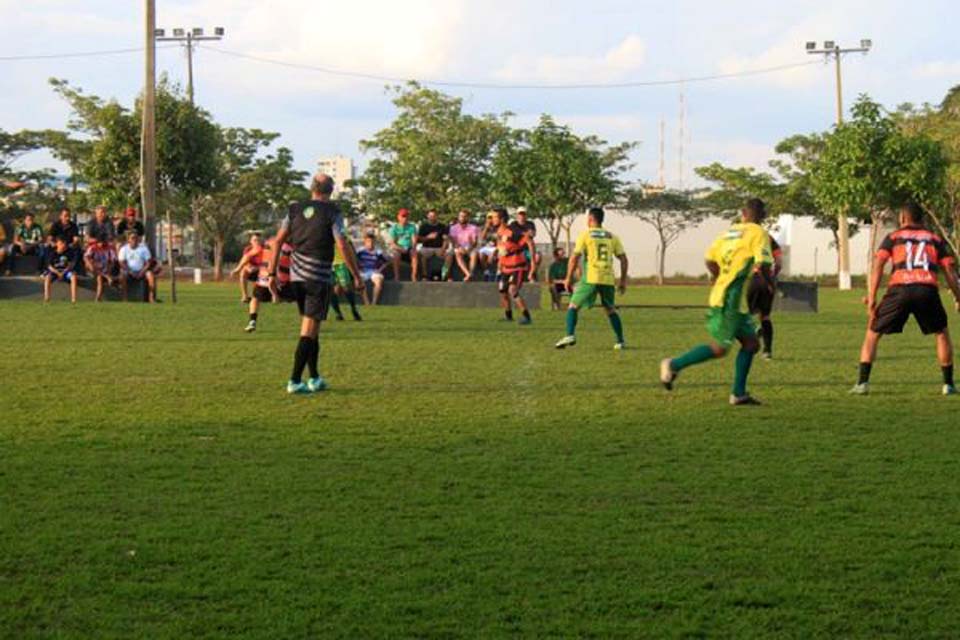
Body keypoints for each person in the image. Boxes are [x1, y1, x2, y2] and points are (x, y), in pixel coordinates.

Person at [659, 198, 774, 406]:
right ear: (762, 217)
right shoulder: (759, 233)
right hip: (730, 299)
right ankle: (673, 364)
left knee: (751, 343)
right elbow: (763, 264)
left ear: (742, 213)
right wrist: (769, 285)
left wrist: (719, 276)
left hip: (727, 295)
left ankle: (738, 394)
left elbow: (709, 260)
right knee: (721, 348)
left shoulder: (727, 233)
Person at [851, 202, 960, 396]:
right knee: (941, 333)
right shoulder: (935, 239)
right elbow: (949, 272)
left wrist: (872, 297)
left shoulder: (893, 238)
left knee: (872, 332)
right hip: (927, 289)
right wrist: (958, 297)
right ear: (922, 219)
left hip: (899, 289)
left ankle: (862, 383)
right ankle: (948, 385)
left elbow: (878, 265)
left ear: (902, 218)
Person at [269, 173, 362, 394]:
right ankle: (294, 380)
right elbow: (341, 243)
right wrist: (356, 275)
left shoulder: (294, 209)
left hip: (297, 276)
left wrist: (271, 273)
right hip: (317, 277)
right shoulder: (333, 211)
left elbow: (277, 241)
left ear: (312, 189)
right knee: (308, 330)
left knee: (313, 328)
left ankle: (315, 377)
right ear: (330, 191)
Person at [555, 207, 628, 350]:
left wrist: (568, 278)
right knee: (610, 309)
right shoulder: (612, 236)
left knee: (573, 306)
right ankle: (620, 341)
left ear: (590, 219)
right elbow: (624, 259)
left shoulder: (586, 235)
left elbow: (575, 257)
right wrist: (623, 281)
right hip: (607, 277)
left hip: (591, 276)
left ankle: (570, 334)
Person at [493, 207, 534, 325]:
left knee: (513, 290)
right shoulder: (499, 233)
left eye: (495, 217)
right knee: (502, 290)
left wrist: (533, 264)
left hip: (518, 266)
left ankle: (527, 317)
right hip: (505, 267)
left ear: (501, 219)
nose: (492, 219)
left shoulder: (512, 231)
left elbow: (529, 242)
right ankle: (508, 316)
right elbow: (501, 249)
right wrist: (499, 262)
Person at [245, 236, 294, 333]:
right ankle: (309, 323)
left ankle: (252, 321)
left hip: (264, 278)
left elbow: (250, 255)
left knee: (255, 298)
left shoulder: (268, 242)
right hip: (282, 279)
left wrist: (246, 266)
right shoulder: (291, 247)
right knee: (301, 298)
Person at [746, 236, 783, 359]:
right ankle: (767, 351)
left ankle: (753, 338)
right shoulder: (769, 238)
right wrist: (772, 277)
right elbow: (779, 262)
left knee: (745, 313)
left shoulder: (746, 235)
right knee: (765, 316)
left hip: (753, 278)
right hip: (768, 280)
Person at [330, 237, 363, 322]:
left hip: (341, 263)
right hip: (327, 264)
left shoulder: (339, 231)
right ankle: (338, 314)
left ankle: (354, 309)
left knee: (346, 288)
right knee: (329, 290)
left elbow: (349, 247)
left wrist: (355, 263)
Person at [118, 232, 157, 303]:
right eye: (132, 238)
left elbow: (148, 262)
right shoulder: (124, 249)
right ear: (128, 240)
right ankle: (124, 298)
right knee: (122, 274)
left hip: (142, 271)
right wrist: (130, 271)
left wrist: (142, 271)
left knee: (150, 275)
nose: (134, 240)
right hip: (129, 271)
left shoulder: (143, 248)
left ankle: (151, 298)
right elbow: (121, 263)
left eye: (136, 238)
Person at [42, 237, 79, 303]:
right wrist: (57, 272)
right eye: (61, 243)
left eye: (64, 244)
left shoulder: (69, 253)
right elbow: (49, 266)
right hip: (55, 272)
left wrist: (64, 272)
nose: (63, 245)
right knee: (47, 278)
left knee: (73, 277)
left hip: (66, 271)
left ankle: (74, 299)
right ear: (57, 244)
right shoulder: (52, 253)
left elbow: (71, 265)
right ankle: (47, 298)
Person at [446, 209, 480, 281]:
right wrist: (459, 247)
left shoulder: (473, 228)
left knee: (474, 254)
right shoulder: (453, 228)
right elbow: (453, 240)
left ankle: (471, 273)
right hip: (458, 246)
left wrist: (469, 248)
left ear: (468, 217)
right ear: (458, 217)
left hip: (470, 247)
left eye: (465, 216)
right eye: (461, 216)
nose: (462, 218)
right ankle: (468, 274)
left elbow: (475, 242)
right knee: (457, 253)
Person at [356, 233, 389, 305]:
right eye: (368, 241)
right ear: (365, 242)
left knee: (378, 282)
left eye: (372, 242)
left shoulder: (378, 252)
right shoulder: (360, 251)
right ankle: (366, 302)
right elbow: (354, 260)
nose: (370, 243)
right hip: (363, 271)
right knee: (359, 281)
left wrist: (379, 270)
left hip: (374, 271)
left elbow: (386, 262)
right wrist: (358, 269)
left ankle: (374, 303)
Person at [232, 233, 265, 303]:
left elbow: (268, 263)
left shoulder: (265, 249)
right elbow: (246, 260)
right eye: (255, 240)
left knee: (260, 297)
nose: (257, 242)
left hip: (263, 272)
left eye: (259, 240)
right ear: (251, 241)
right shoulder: (248, 249)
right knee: (243, 272)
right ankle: (245, 296)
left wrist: (257, 268)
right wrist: (248, 267)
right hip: (251, 271)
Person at [417, 209, 448, 280]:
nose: (432, 217)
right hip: (427, 247)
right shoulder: (423, 226)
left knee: (449, 255)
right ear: (427, 216)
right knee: (420, 255)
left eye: (434, 216)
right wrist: (428, 237)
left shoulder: (442, 226)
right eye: (430, 216)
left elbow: (446, 239)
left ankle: (445, 274)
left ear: (437, 216)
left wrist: (443, 249)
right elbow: (419, 240)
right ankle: (424, 275)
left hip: (439, 247)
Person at [389, 208, 419, 281]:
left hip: (409, 247)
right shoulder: (394, 228)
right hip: (399, 248)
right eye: (403, 216)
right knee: (396, 255)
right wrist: (400, 249)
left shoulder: (412, 227)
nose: (405, 218)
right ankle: (397, 276)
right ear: (398, 217)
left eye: (406, 216)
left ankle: (413, 275)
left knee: (414, 253)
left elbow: (414, 240)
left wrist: (413, 247)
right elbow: (392, 243)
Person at [514, 207, 542, 281]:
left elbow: (533, 234)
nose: (522, 216)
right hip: (517, 250)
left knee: (537, 256)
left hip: (528, 250)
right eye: (520, 214)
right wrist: (526, 233)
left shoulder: (530, 223)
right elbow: (514, 235)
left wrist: (521, 233)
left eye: (523, 214)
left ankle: (532, 272)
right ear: (517, 215)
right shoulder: (513, 224)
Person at [548, 247, 572, 311]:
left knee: (576, 287)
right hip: (559, 285)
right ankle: (557, 305)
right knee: (552, 287)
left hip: (569, 284)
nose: (563, 255)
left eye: (564, 253)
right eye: (561, 254)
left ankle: (573, 306)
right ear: (556, 256)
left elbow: (575, 264)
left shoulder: (568, 261)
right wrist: (563, 281)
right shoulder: (553, 266)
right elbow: (552, 280)